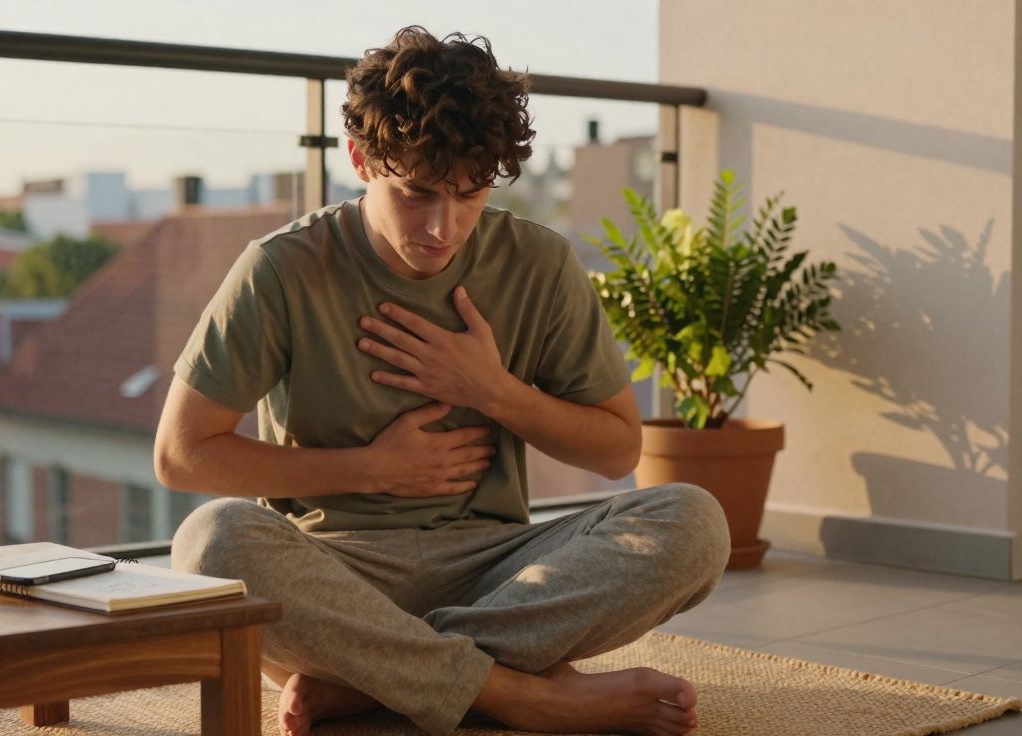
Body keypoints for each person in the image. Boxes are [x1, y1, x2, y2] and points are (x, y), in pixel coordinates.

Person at [155, 26, 731, 736]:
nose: (443, 226)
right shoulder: (281, 268)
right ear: (362, 160)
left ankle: (370, 681)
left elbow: (616, 450)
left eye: (470, 194)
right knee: (209, 542)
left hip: (500, 569)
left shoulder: (539, 264)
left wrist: (493, 390)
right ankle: (522, 696)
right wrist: (372, 468)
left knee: (694, 523)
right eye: (417, 193)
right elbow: (180, 454)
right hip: (334, 568)